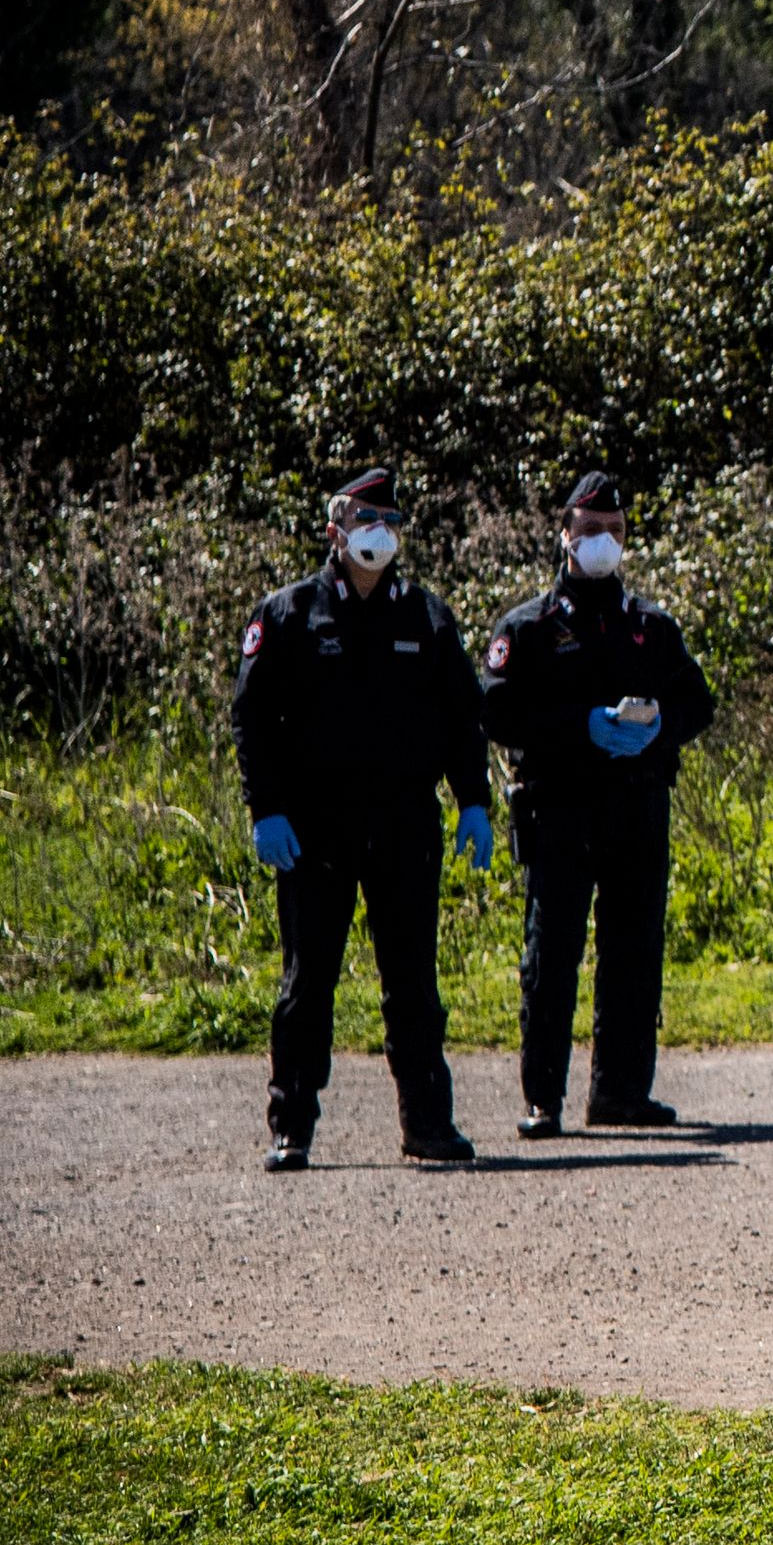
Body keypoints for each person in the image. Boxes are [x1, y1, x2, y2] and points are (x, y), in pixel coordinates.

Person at [230, 468, 498, 1172]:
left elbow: (465, 716)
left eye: (388, 517)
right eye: (364, 516)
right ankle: (292, 1126)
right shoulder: (289, 614)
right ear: (335, 528)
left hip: (407, 823)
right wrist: (267, 809)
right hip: (316, 827)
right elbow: (251, 716)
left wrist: (474, 798)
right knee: (307, 980)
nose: (377, 531)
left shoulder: (427, 616)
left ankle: (427, 1124)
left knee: (412, 978)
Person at [482, 472, 715, 1137]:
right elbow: (496, 708)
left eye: (613, 531)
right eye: (589, 531)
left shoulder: (651, 625)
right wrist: (579, 724)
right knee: (551, 952)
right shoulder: (528, 628)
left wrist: (656, 725)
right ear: (565, 536)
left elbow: (698, 702)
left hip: (635, 809)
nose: (602, 542)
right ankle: (543, 1098)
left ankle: (620, 1092)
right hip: (559, 810)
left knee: (635, 950)